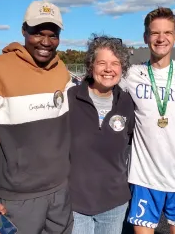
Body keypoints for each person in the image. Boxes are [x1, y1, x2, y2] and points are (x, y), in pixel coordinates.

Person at [0, 0, 74, 233]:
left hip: (61, 193)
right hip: (17, 199)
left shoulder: (61, 69)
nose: (46, 42)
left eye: (53, 35)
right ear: (24, 30)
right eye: (38, 33)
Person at [120, 7, 175, 234]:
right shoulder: (131, 75)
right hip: (144, 177)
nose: (161, 38)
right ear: (146, 37)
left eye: (167, 32)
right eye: (155, 33)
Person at [69, 34, 135, 234]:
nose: (109, 69)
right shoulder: (69, 99)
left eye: (115, 63)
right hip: (75, 204)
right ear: (91, 66)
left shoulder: (127, 103)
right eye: (102, 63)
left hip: (113, 204)